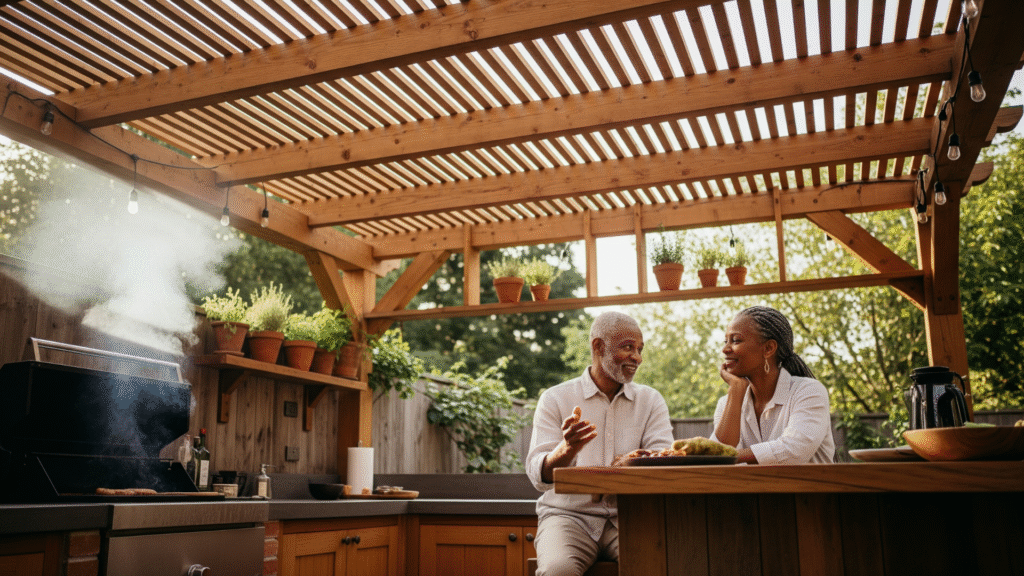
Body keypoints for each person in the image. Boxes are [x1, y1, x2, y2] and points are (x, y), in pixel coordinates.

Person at [526, 311, 674, 576]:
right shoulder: (555, 398)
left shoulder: (651, 401)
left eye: (640, 349)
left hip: (631, 517)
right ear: (598, 346)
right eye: (628, 347)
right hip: (568, 518)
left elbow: (662, 463)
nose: (637, 357)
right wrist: (567, 449)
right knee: (558, 571)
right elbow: (539, 476)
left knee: (661, 566)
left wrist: (619, 468)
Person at [710, 305, 834, 464]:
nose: (725, 349)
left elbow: (792, 451)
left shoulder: (809, 391)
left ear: (768, 348)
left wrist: (727, 457)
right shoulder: (726, 404)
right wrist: (735, 389)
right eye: (726, 341)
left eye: (735, 340)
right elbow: (719, 463)